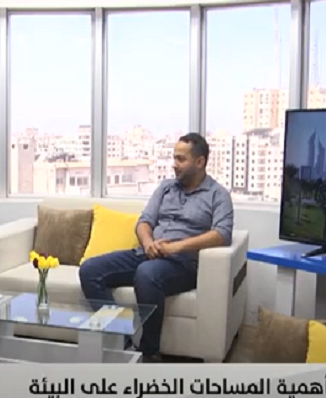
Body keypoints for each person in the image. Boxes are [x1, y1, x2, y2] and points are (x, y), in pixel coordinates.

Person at [78, 132, 234, 363]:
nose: (174, 164)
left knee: (147, 273)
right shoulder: (166, 187)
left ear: (200, 162)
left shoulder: (218, 195)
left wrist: (176, 247)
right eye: (174, 158)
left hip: (182, 264)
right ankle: (121, 337)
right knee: (90, 270)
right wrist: (148, 243)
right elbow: (144, 222)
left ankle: (149, 353)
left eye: (181, 159)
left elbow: (222, 234)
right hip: (147, 253)